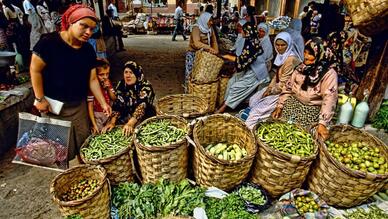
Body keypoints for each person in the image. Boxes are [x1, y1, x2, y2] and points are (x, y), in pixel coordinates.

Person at [30, 4, 112, 160]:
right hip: (55, 108)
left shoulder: (87, 49)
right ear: (70, 22)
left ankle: (83, 172)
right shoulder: (49, 43)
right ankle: (66, 177)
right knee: (58, 149)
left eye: (92, 29)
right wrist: (40, 98)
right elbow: (35, 70)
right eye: (84, 26)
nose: (88, 32)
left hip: (79, 106)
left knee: (83, 143)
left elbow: (93, 79)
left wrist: (103, 103)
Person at [272, 38, 338, 140]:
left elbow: (329, 98)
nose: (305, 56)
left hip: (310, 111)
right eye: (305, 52)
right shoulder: (301, 68)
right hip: (292, 105)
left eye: (310, 54)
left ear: (320, 54)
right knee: (278, 133)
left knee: (299, 138)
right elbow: (288, 87)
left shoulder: (328, 73)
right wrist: (280, 106)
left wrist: (322, 123)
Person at [245, 31, 303, 129]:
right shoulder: (282, 55)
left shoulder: (290, 59)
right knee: (254, 99)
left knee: (259, 110)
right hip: (277, 88)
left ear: (288, 45)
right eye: (277, 45)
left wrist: (271, 91)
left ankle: (251, 128)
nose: (279, 48)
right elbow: (276, 76)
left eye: (283, 45)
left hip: (286, 91)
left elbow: (283, 83)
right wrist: (269, 88)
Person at [216, 22, 269, 113]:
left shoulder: (252, 45)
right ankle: (226, 102)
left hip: (256, 72)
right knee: (232, 81)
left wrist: (226, 56)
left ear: (247, 32)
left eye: (243, 31)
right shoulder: (249, 41)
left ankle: (223, 108)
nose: (242, 32)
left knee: (236, 87)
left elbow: (241, 60)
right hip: (250, 68)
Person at [102, 61, 156, 136]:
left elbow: (142, 106)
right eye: (126, 72)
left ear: (137, 74)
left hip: (144, 117)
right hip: (127, 116)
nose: (128, 75)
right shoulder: (121, 85)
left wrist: (130, 123)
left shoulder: (145, 86)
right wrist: (112, 122)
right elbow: (118, 104)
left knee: (140, 134)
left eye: (131, 72)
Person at [185, 11, 219, 90]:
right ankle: (188, 92)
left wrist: (216, 51)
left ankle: (198, 92)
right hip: (193, 54)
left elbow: (214, 41)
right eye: (209, 21)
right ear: (204, 20)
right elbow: (197, 43)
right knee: (190, 75)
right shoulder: (196, 28)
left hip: (203, 54)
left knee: (200, 75)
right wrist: (209, 48)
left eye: (211, 20)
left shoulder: (210, 29)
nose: (211, 23)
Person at [88, 59, 116, 134]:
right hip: (97, 115)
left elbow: (113, 98)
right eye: (101, 74)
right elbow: (90, 106)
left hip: (108, 113)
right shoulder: (92, 88)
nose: (105, 77)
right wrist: (94, 124)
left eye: (107, 74)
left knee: (108, 131)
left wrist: (108, 88)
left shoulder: (108, 82)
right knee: (99, 133)